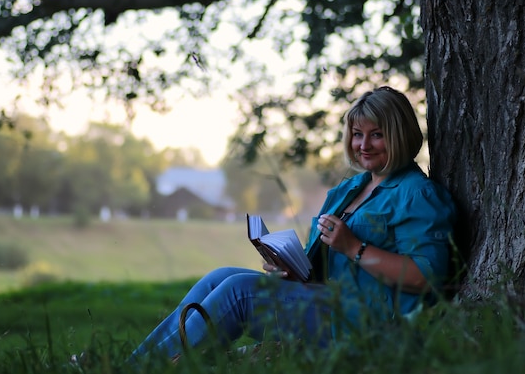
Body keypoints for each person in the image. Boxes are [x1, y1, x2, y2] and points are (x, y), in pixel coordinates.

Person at [126, 85, 457, 366]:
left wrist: (354, 247)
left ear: (399, 136)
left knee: (240, 291)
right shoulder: (349, 190)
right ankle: (134, 363)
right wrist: (291, 269)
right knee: (222, 276)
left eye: (377, 135)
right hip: (331, 300)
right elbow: (331, 266)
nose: (363, 145)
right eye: (357, 135)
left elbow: (425, 276)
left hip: (372, 323)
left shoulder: (417, 193)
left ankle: (152, 368)